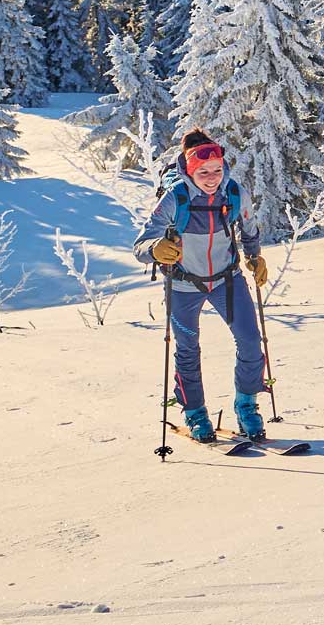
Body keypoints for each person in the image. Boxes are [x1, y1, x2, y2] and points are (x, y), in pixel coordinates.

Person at [135, 128, 270, 443]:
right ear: (190, 171)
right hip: (184, 285)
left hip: (227, 280)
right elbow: (140, 244)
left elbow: (249, 227)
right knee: (187, 351)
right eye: (203, 172)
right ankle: (195, 414)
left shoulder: (234, 193)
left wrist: (255, 257)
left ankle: (247, 406)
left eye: (217, 170)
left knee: (250, 342)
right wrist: (155, 250)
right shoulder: (175, 199)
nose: (211, 178)